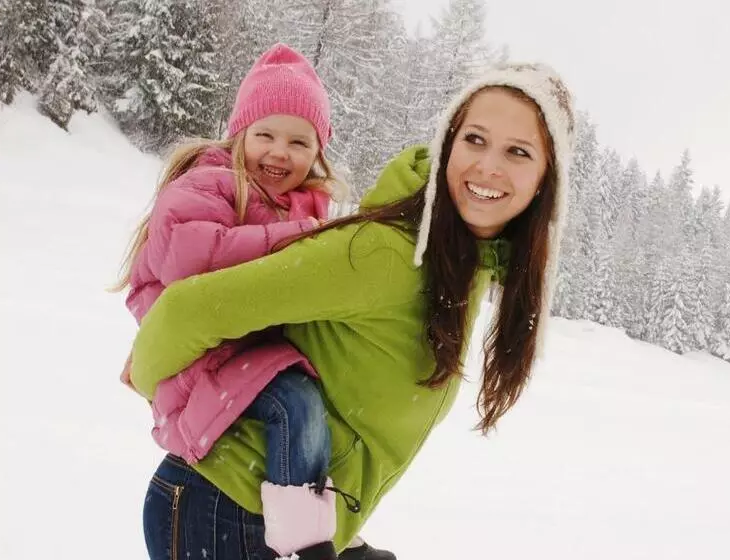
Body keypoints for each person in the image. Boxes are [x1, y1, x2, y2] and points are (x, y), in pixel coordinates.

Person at [128, 61, 576, 559]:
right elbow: (186, 311)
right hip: (226, 510)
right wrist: (158, 383)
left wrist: (344, 538)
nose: (489, 166)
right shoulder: (386, 253)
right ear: (447, 144)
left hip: (268, 516)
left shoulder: (461, 267)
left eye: (518, 151)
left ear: (546, 178)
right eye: (475, 139)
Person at [115, 43, 388, 559]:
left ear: (318, 152)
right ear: (239, 134)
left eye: (298, 141)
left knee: (318, 408)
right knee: (294, 404)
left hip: (241, 350)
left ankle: (319, 525)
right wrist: (299, 241)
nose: (280, 152)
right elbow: (187, 258)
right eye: (265, 135)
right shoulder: (211, 182)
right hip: (201, 356)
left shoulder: (302, 206)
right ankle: (308, 545)